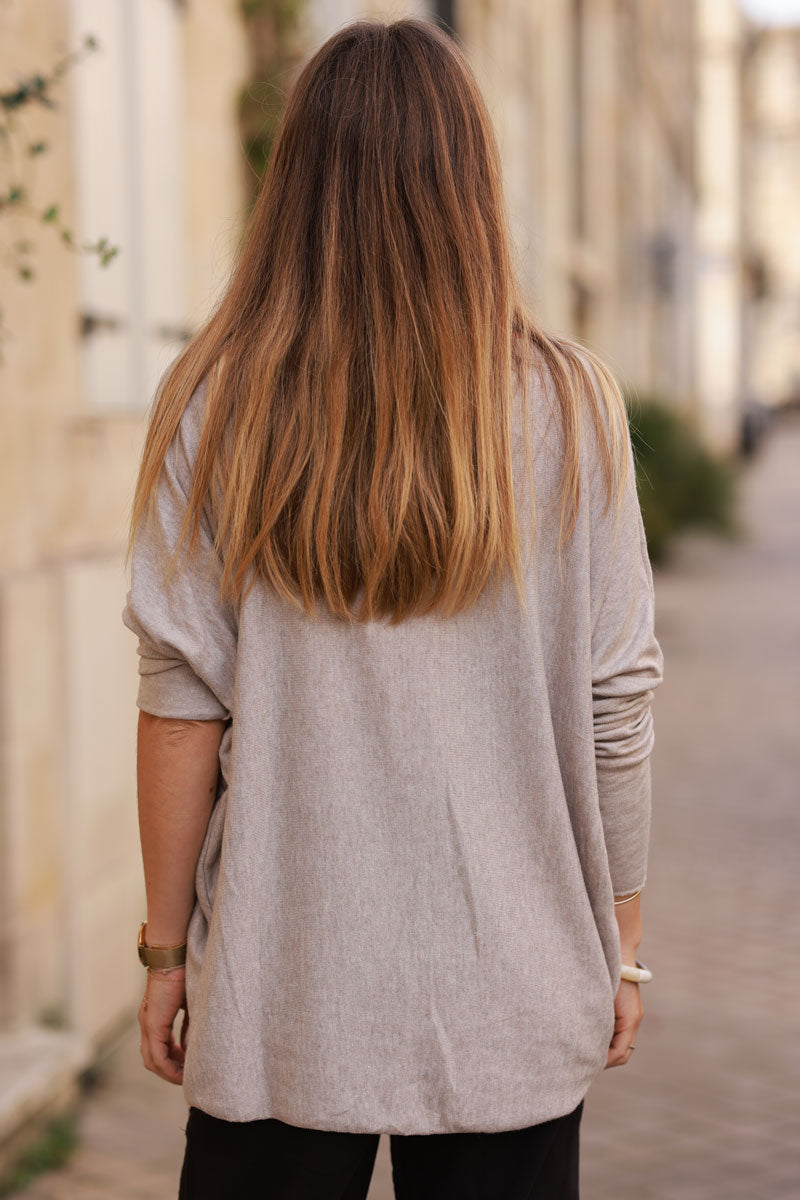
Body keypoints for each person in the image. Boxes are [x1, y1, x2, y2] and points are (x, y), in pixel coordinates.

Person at [121, 16, 664, 1200]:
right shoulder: (569, 409)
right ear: (471, 181)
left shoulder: (214, 402)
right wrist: (619, 951)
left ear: (296, 183)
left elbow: (180, 705)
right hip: (512, 980)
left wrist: (167, 954)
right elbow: (616, 703)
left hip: (281, 982)